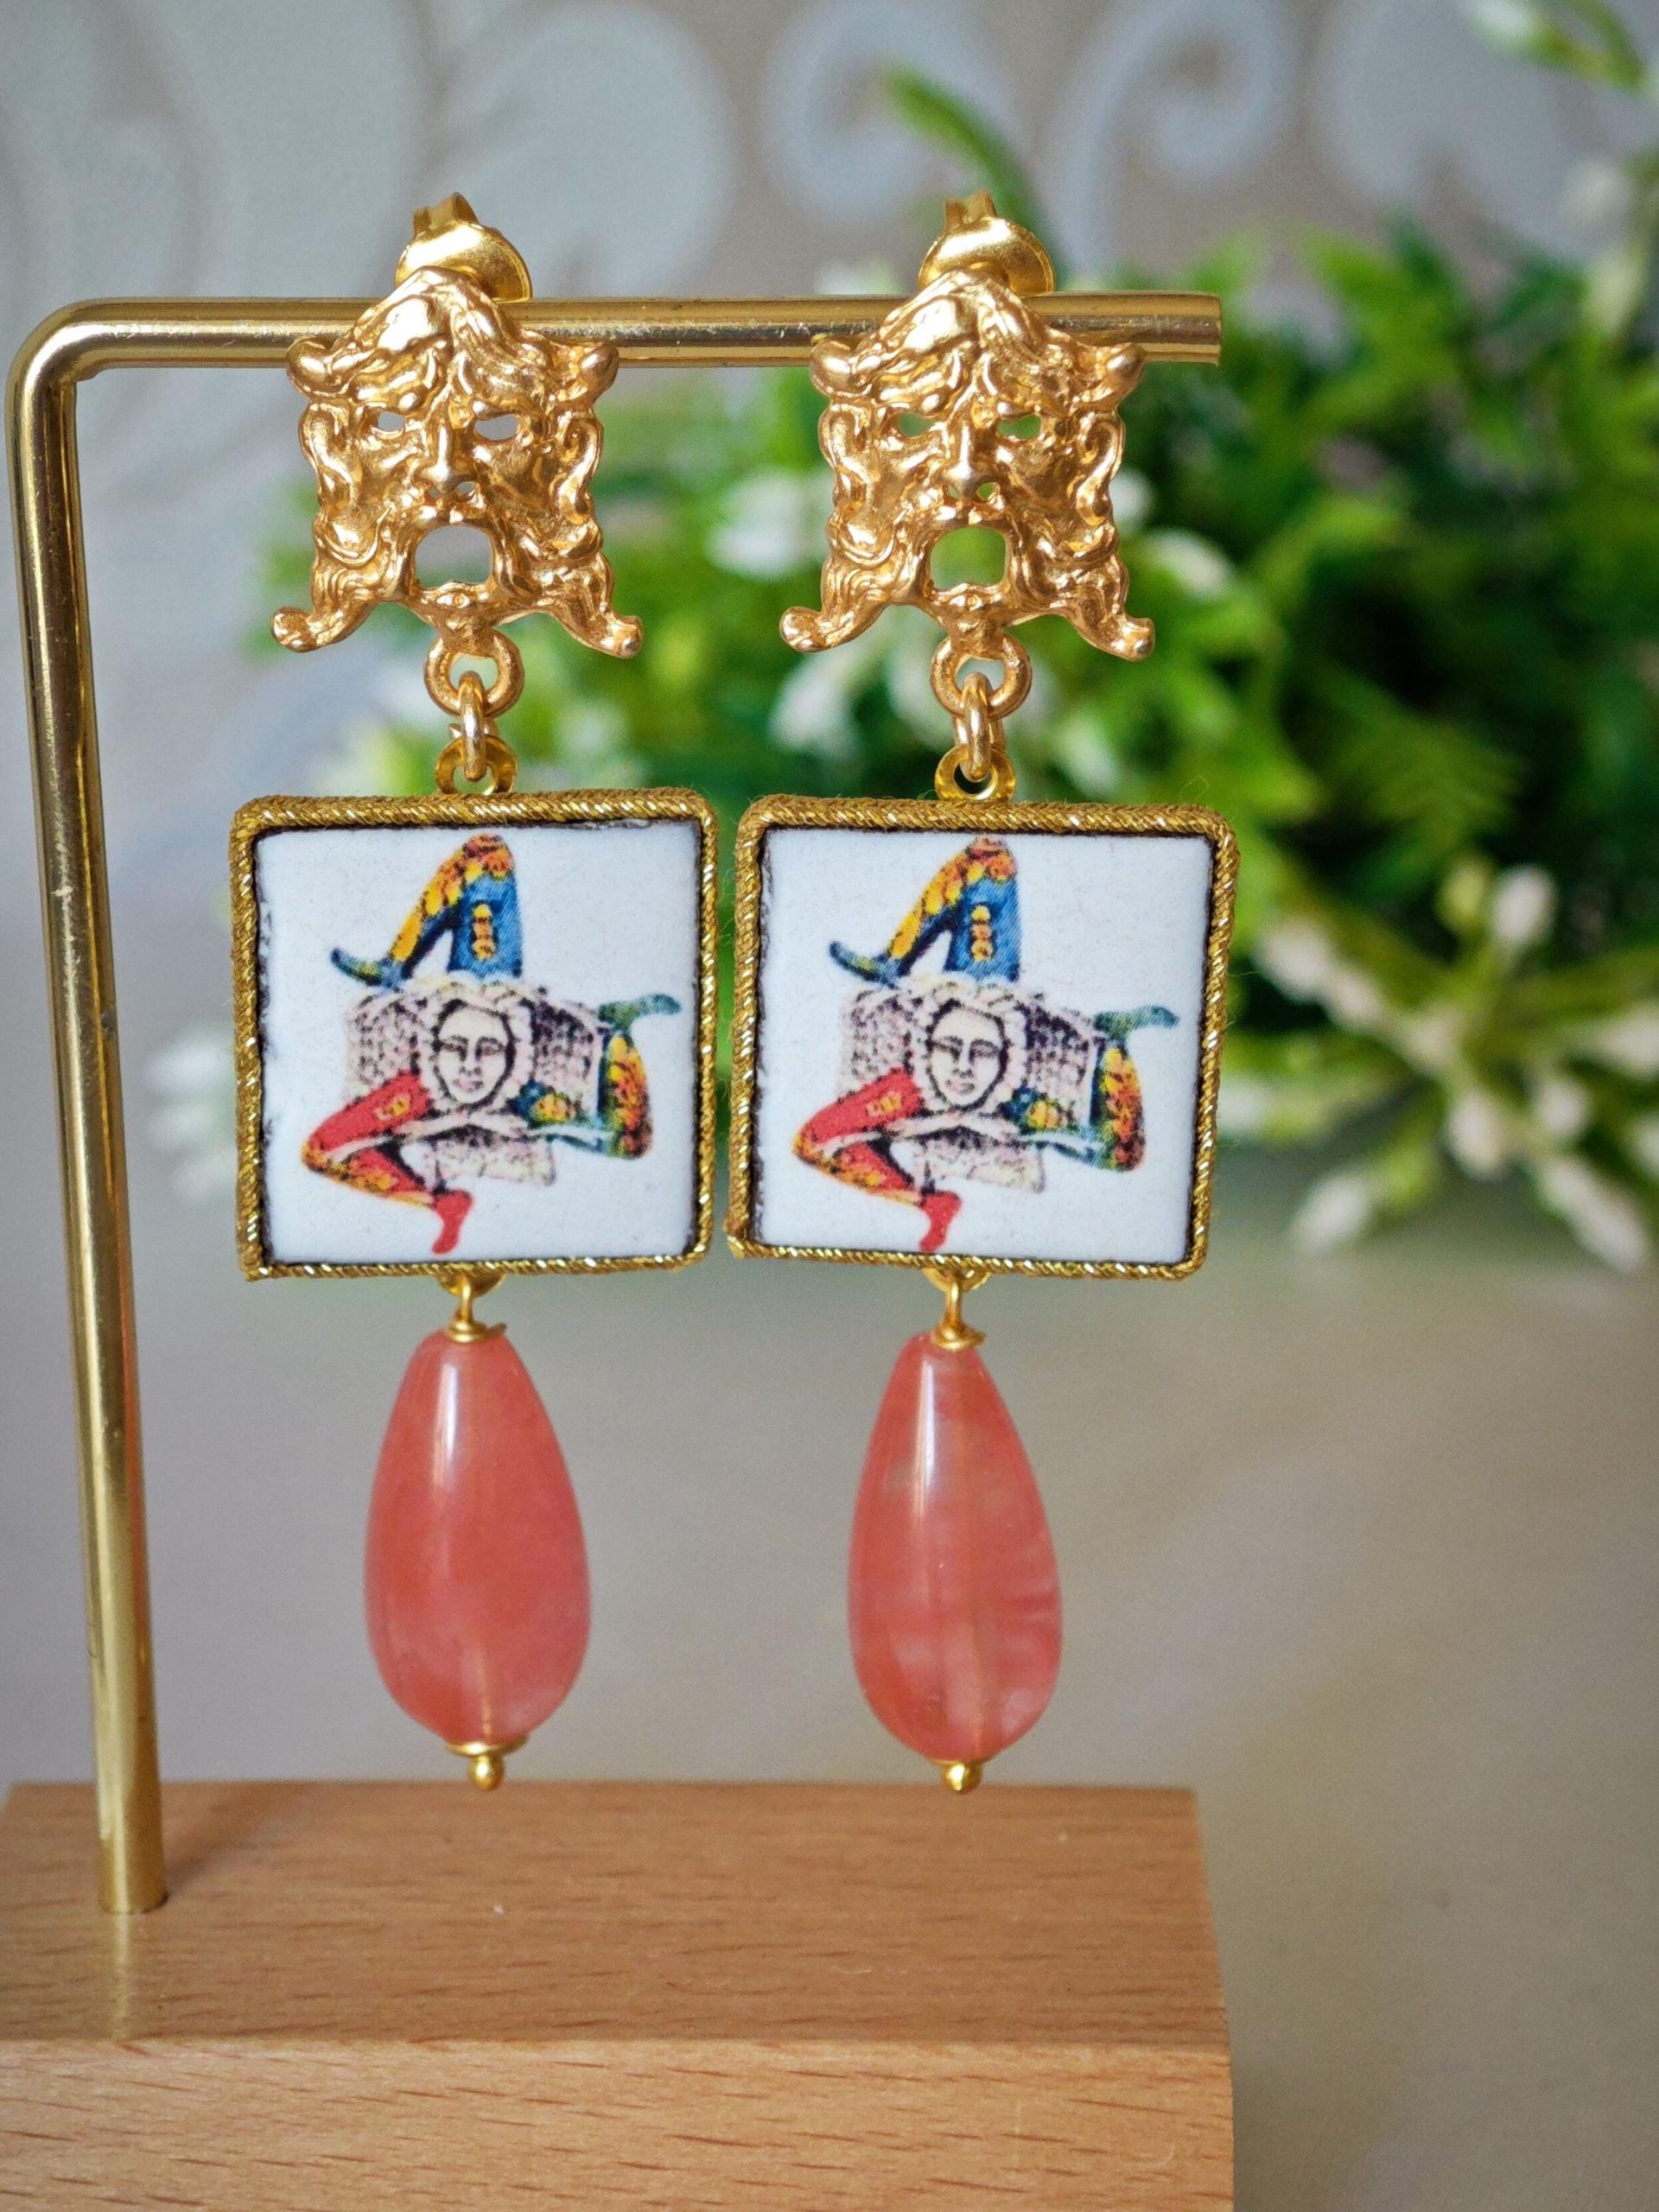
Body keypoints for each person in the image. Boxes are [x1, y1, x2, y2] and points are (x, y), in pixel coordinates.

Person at [795, 839, 1173, 1254]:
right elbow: (816, 1140)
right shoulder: (906, 1090)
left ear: (1006, 1057)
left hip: (992, 1009)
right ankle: (892, 961)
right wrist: (921, 1195)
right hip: (974, 991)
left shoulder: (1022, 1103)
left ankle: (1104, 1037)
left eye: (982, 1053)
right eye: (948, 1048)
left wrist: (1109, 1060)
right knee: (992, 861)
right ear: (926, 1046)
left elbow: (1118, 1153)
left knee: (1118, 1145)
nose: (962, 1066)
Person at [303, 837, 675, 1255]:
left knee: (490, 857)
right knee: (490, 858)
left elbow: (628, 1141)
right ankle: (394, 965)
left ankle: (606, 1024)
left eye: (490, 1050)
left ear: (515, 1054)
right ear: (432, 1048)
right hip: (479, 984)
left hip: (493, 993)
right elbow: (325, 1149)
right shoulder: (414, 1092)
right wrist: (434, 1158)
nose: (470, 1065)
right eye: (453, 1047)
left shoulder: (530, 1099)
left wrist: (615, 1046)